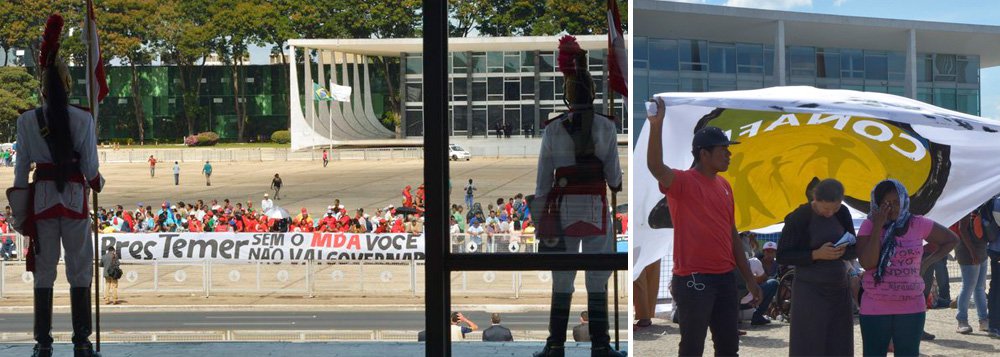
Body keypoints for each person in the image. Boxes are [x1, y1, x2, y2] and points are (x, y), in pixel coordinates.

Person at [6, 14, 104, 356]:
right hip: (75, 199)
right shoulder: (83, 118)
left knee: (44, 272)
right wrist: (97, 182)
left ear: (43, 87)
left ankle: (43, 340)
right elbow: (91, 168)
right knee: (80, 268)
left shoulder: (26, 121)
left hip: (43, 201)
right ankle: (81, 338)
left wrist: (21, 213)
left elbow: (20, 172)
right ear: (66, 82)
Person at [645, 95, 761, 357]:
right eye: (724, 150)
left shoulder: (725, 186)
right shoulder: (683, 182)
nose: (729, 154)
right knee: (692, 348)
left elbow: (732, 235)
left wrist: (749, 279)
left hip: (725, 278)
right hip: (693, 280)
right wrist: (656, 125)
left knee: (729, 347)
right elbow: (655, 166)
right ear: (704, 153)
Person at [532, 35, 626, 357]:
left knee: (562, 279)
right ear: (595, 93)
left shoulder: (553, 129)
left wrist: (539, 218)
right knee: (597, 279)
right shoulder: (607, 127)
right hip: (597, 209)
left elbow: (543, 181)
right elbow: (614, 180)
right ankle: (600, 344)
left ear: (567, 95)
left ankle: (555, 344)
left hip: (562, 212)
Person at [857, 179, 958, 357]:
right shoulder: (869, 225)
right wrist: (878, 227)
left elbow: (951, 240)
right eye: (886, 204)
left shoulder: (917, 223)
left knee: (908, 354)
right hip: (875, 306)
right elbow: (868, 263)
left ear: (904, 201)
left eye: (896, 202)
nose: (892, 208)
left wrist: (927, 263)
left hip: (911, 306)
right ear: (876, 204)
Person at [776, 178, 856, 355]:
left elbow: (854, 248)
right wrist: (815, 254)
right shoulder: (799, 217)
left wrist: (843, 251)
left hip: (838, 288)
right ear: (815, 199)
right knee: (809, 341)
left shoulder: (842, 213)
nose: (830, 213)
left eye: (834, 208)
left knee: (839, 341)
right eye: (826, 208)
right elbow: (782, 255)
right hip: (809, 290)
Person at [954, 210, 989, 333]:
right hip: (968, 252)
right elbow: (962, 229)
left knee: (979, 287)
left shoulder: (982, 204)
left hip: (981, 250)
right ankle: (962, 320)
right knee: (968, 287)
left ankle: (984, 320)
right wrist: (972, 252)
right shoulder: (968, 204)